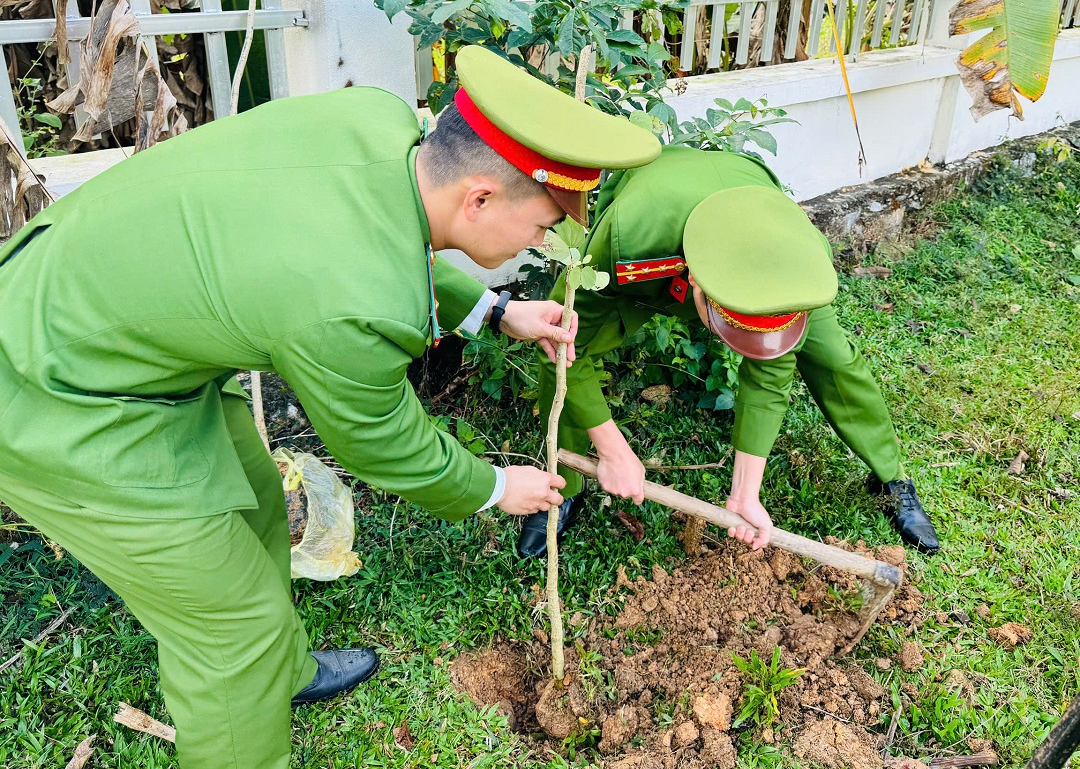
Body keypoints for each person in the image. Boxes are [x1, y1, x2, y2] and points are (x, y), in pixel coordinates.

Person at [0, 46, 660, 768]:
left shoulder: (375, 126)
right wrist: (498, 488)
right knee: (230, 628)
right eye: (539, 227)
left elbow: (376, 236)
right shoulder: (352, 309)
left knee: (255, 501)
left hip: (108, 332)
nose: (541, 241)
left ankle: (281, 677)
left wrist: (496, 312)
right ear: (479, 198)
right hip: (52, 395)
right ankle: (250, 692)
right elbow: (380, 440)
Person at [519, 145, 940, 559]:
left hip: (753, 238)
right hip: (663, 230)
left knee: (834, 358)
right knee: (570, 348)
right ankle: (563, 484)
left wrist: (744, 494)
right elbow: (557, 342)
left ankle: (893, 478)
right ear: (697, 290)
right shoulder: (631, 238)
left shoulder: (801, 261)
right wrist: (613, 450)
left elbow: (771, 371)